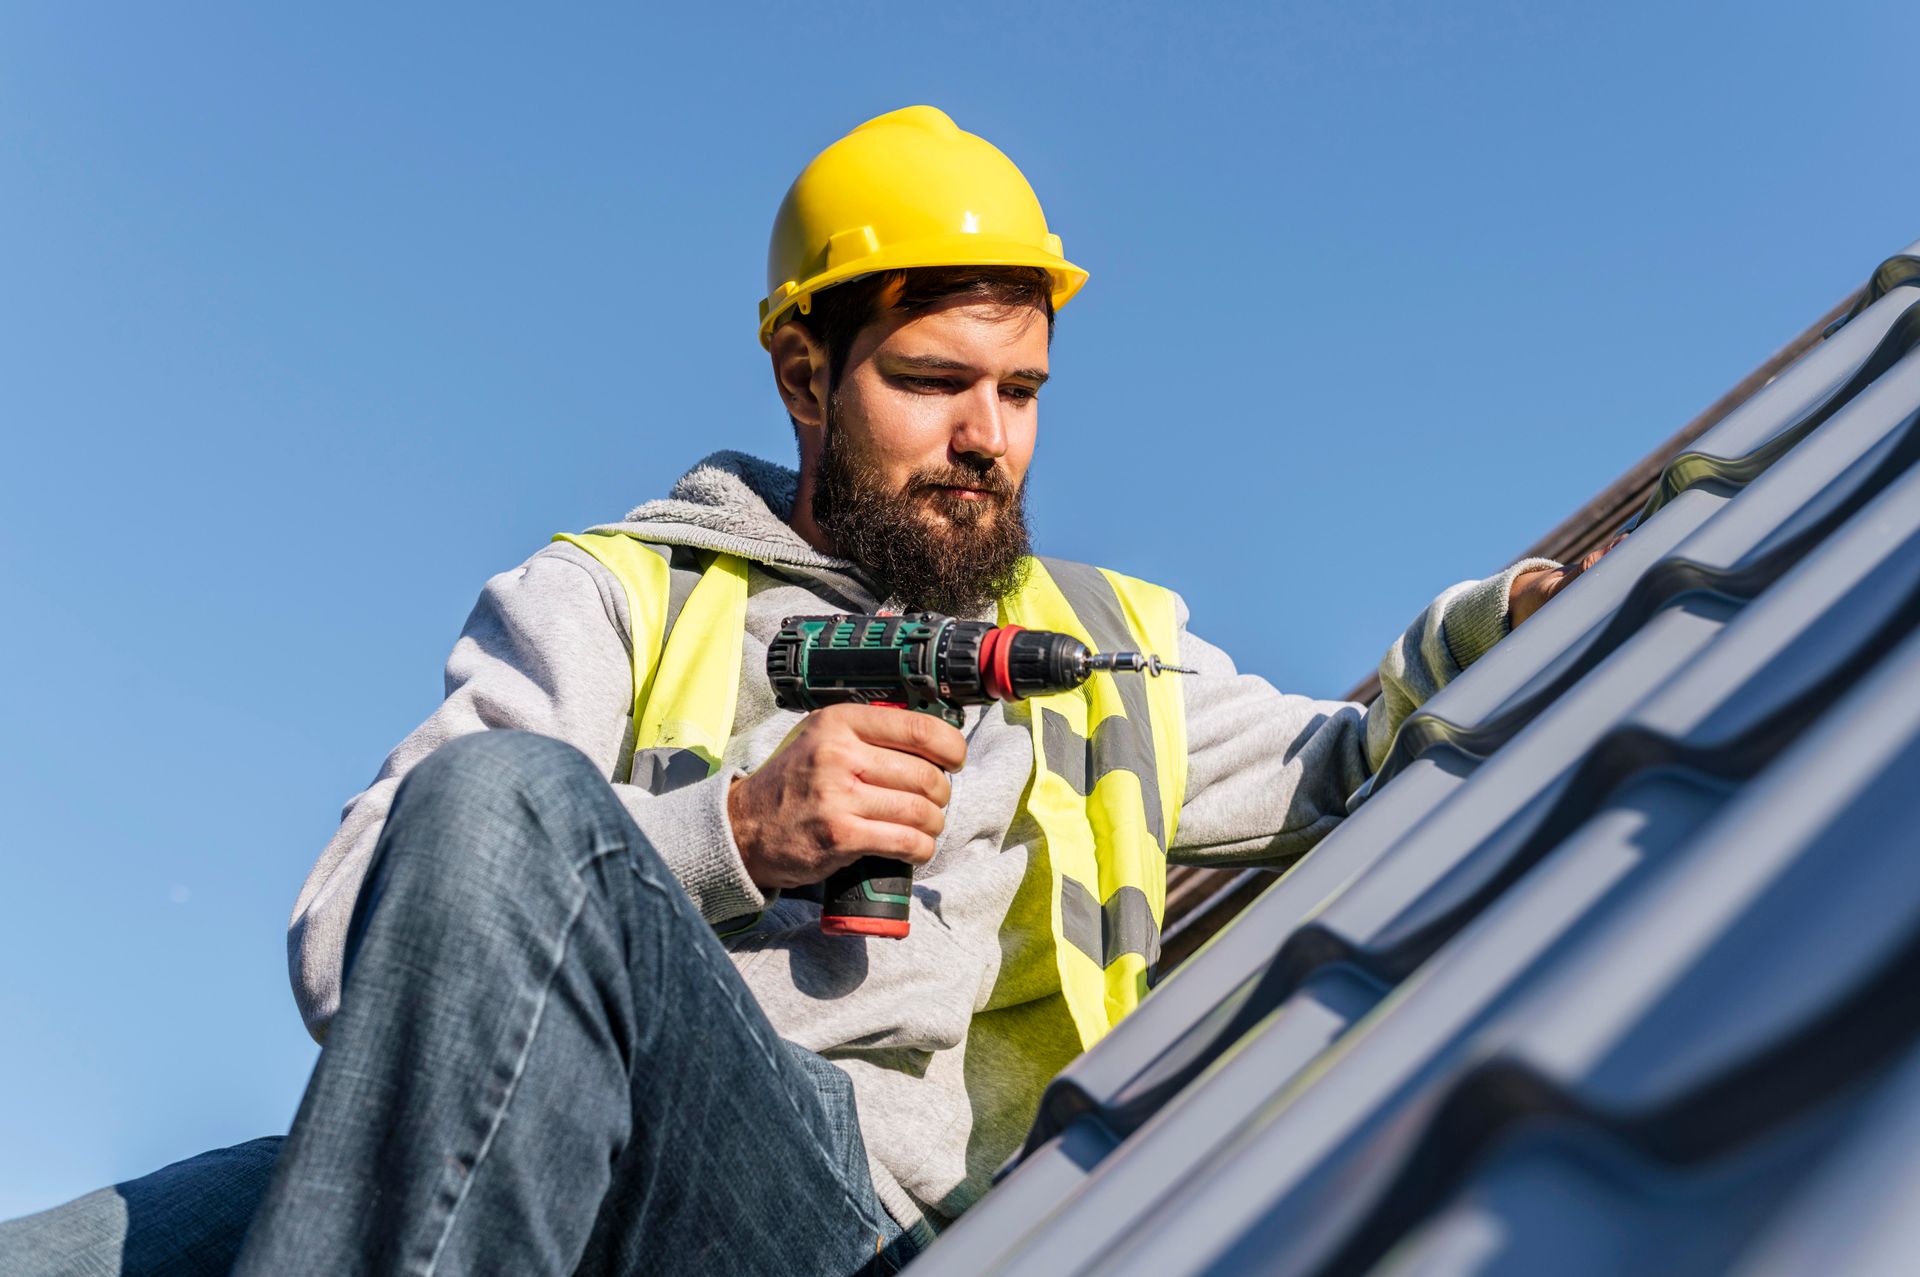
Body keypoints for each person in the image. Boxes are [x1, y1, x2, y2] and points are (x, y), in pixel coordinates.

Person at [0, 105, 1603, 1276]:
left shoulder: (1105, 651)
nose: (990, 434)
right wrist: (736, 830)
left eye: (1023, 390)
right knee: (66, 1250)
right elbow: (358, 939)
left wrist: (1499, 619)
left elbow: (1351, 751)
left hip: (847, 1230)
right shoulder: (616, 595)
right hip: (555, 1149)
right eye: (933, 382)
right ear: (802, 373)